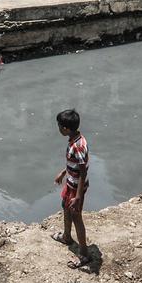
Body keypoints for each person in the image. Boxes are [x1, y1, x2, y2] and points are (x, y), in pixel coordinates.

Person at [52, 109, 91, 268]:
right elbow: (74, 164)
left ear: (66, 129)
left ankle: (84, 254)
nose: (59, 128)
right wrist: (63, 172)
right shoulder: (74, 139)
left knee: (76, 217)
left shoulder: (78, 146)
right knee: (65, 207)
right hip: (70, 182)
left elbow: (83, 171)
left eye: (59, 126)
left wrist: (78, 196)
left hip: (77, 187)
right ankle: (67, 236)